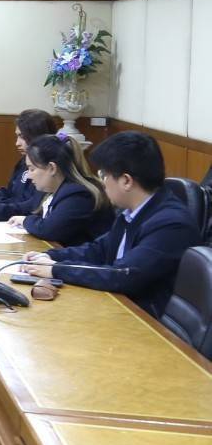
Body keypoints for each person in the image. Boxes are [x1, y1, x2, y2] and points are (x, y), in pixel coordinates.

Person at [21, 132, 198, 317]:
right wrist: (51, 256)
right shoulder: (132, 212)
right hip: (118, 304)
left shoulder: (170, 224)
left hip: (143, 319)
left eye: (104, 175)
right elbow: (99, 250)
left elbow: (123, 275)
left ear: (126, 181)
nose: (102, 182)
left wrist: (56, 269)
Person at [2, 135, 111, 244]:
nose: (29, 176)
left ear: (52, 168)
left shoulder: (78, 195)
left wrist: (25, 220)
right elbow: (22, 208)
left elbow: (48, 229)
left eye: (32, 169)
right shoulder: (47, 192)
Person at [0, 109, 58, 220]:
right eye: (17, 136)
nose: (17, 143)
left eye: (22, 136)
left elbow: (28, 206)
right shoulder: (23, 162)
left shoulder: (45, 170)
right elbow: (10, 193)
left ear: (38, 136)